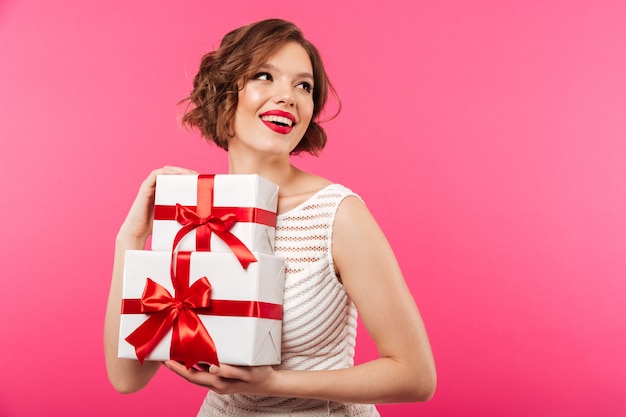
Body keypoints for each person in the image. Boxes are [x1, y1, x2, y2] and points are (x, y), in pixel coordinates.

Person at [104, 18, 436, 416]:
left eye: (304, 86)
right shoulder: (195, 215)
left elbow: (415, 376)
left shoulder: (338, 214)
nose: (289, 96)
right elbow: (127, 378)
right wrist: (131, 241)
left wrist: (274, 383)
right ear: (224, 93)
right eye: (265, 76)